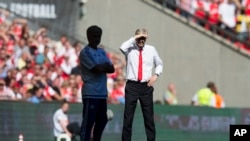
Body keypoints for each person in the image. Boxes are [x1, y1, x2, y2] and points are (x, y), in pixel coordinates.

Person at [119, 28, 163, 141]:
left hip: (146, 86)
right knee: (128, 118)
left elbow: (159, 64)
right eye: (139, 37)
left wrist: (156, 75)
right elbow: (122, 47)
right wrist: (135, 37)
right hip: (132, 86)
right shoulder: (130, 48)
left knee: (149, 119)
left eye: (143, 38)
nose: (141, 40)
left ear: (147, 38)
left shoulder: (151, 49)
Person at [79, 25, 115, 141]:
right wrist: (104, 67)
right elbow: (97, 69)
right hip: (91, 92)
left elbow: (112, 69)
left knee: (102, 120)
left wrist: (103, 67)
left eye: (98, 36)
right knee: (88, 123)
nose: (96, 38)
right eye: (94, 36)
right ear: (88, 36)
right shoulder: (85, 52)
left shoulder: (102, 51)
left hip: (102, 93)